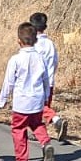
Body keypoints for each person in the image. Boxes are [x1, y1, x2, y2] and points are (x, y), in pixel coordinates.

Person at [0, 22, 55, 161]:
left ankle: (22, 160)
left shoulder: (15, 59)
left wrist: (1, 101)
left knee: (19, 129)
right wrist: (46, 96)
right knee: (37, 124)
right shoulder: (40, 58)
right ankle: (45, 143)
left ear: (19, 40)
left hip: (21, 101)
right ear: (35, 40)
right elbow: (46, 79)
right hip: (37, 99)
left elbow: (9, 82)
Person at [30, 12, 68, 142]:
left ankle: (56, 120)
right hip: (50, 81)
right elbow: (55, 62)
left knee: (38, 107)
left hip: (37, 82)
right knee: (44, 106)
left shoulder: (34, 45)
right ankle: (39, 132)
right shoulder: (50, 44)